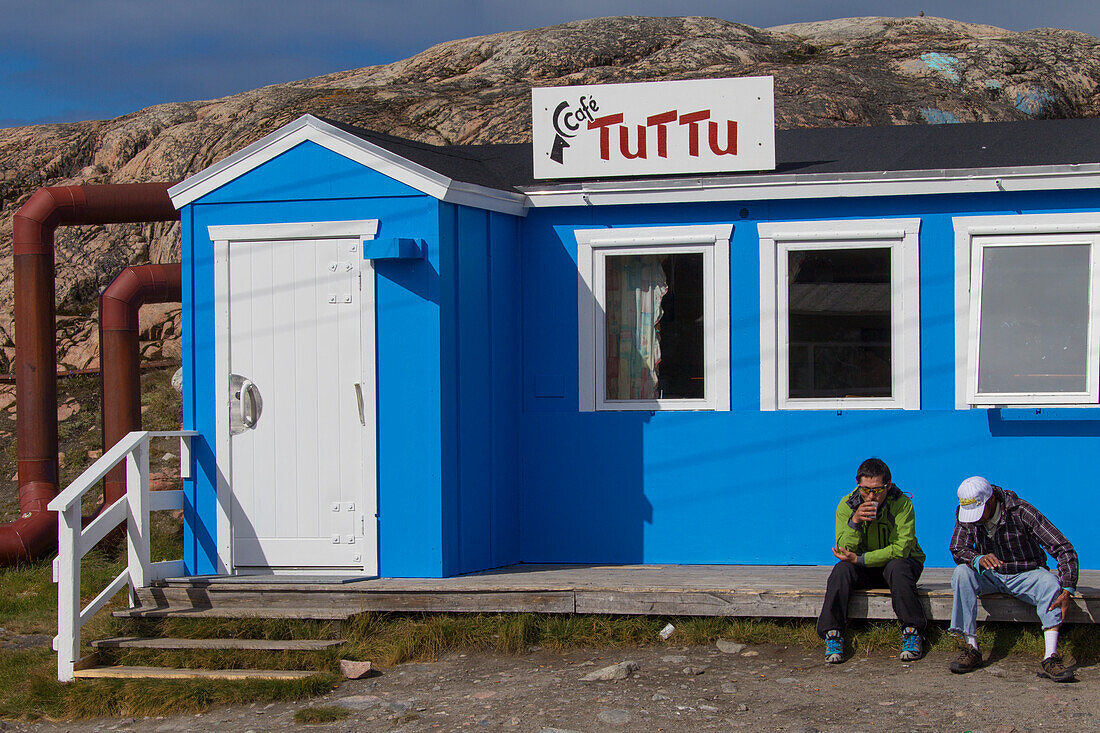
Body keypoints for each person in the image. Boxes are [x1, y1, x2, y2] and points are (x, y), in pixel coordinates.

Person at [948, 476, 1078, 682]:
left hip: (1026, 572)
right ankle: (971, 647)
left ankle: (1050, 657)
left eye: (979, 513)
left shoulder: (1022, 511)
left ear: (991, 500)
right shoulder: (965, 515)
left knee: (1050, 583)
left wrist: (1067, 589)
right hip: (990, 575)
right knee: (962, 573)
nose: (976, 519)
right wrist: (978, 558)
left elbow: (1062, 548)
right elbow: (957, 548)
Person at [817, 457, 927, 664]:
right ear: (857, 485)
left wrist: (861, 558)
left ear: (889, 486)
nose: (870, 495)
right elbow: (844, 549)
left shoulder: (902, 504)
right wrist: (855, 522)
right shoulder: (847, 504)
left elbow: (901, 549)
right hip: (864, 567)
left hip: (899, 565)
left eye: (877, 490)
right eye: (865, 489)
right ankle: (833, 634)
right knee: (841, 570)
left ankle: (913, 631)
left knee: (898, 567)